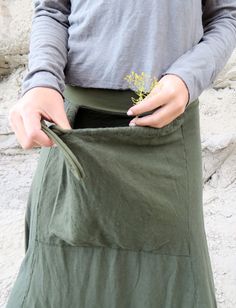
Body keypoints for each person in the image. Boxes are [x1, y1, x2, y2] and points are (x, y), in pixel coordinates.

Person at [6, 1, 236, 307]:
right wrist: (41, 81)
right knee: (58, 278)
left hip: (165, 131)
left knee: (171, 280)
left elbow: (226, 16)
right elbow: (52, 8)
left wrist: (187, 78)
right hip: (76, 128)